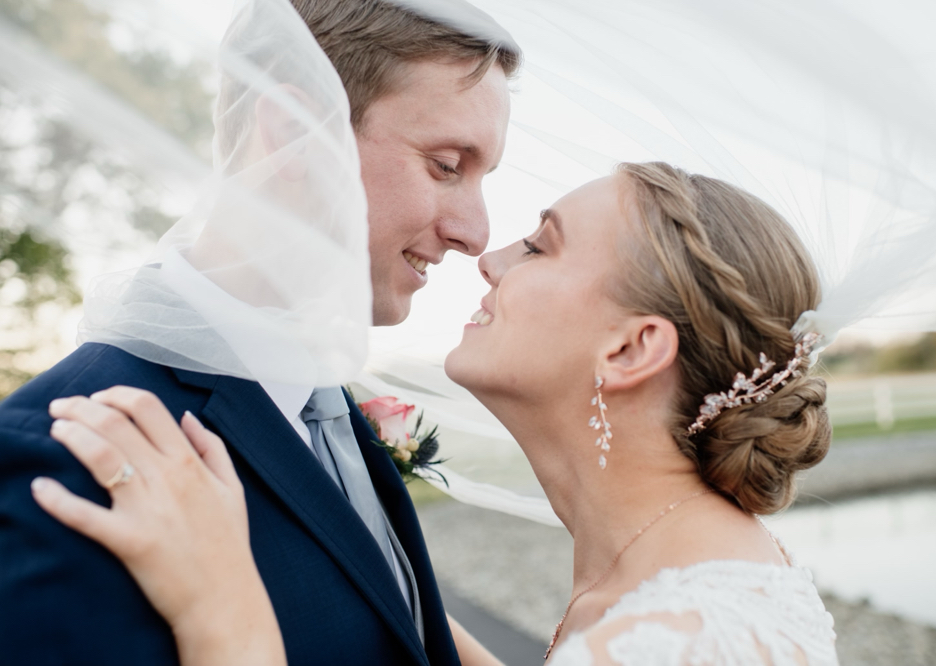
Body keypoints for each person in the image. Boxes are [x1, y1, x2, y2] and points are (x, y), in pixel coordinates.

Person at [36, 162, 840, 665]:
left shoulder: (688, 639)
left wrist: (225, 616)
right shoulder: (683, 571)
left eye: (540, 246)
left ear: (631, 350)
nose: (488, 257)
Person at [0, 0, 519, 664]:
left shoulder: (327, 409)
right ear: (292, 128)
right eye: (447, 165)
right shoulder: (66, 454)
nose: (474, 232)